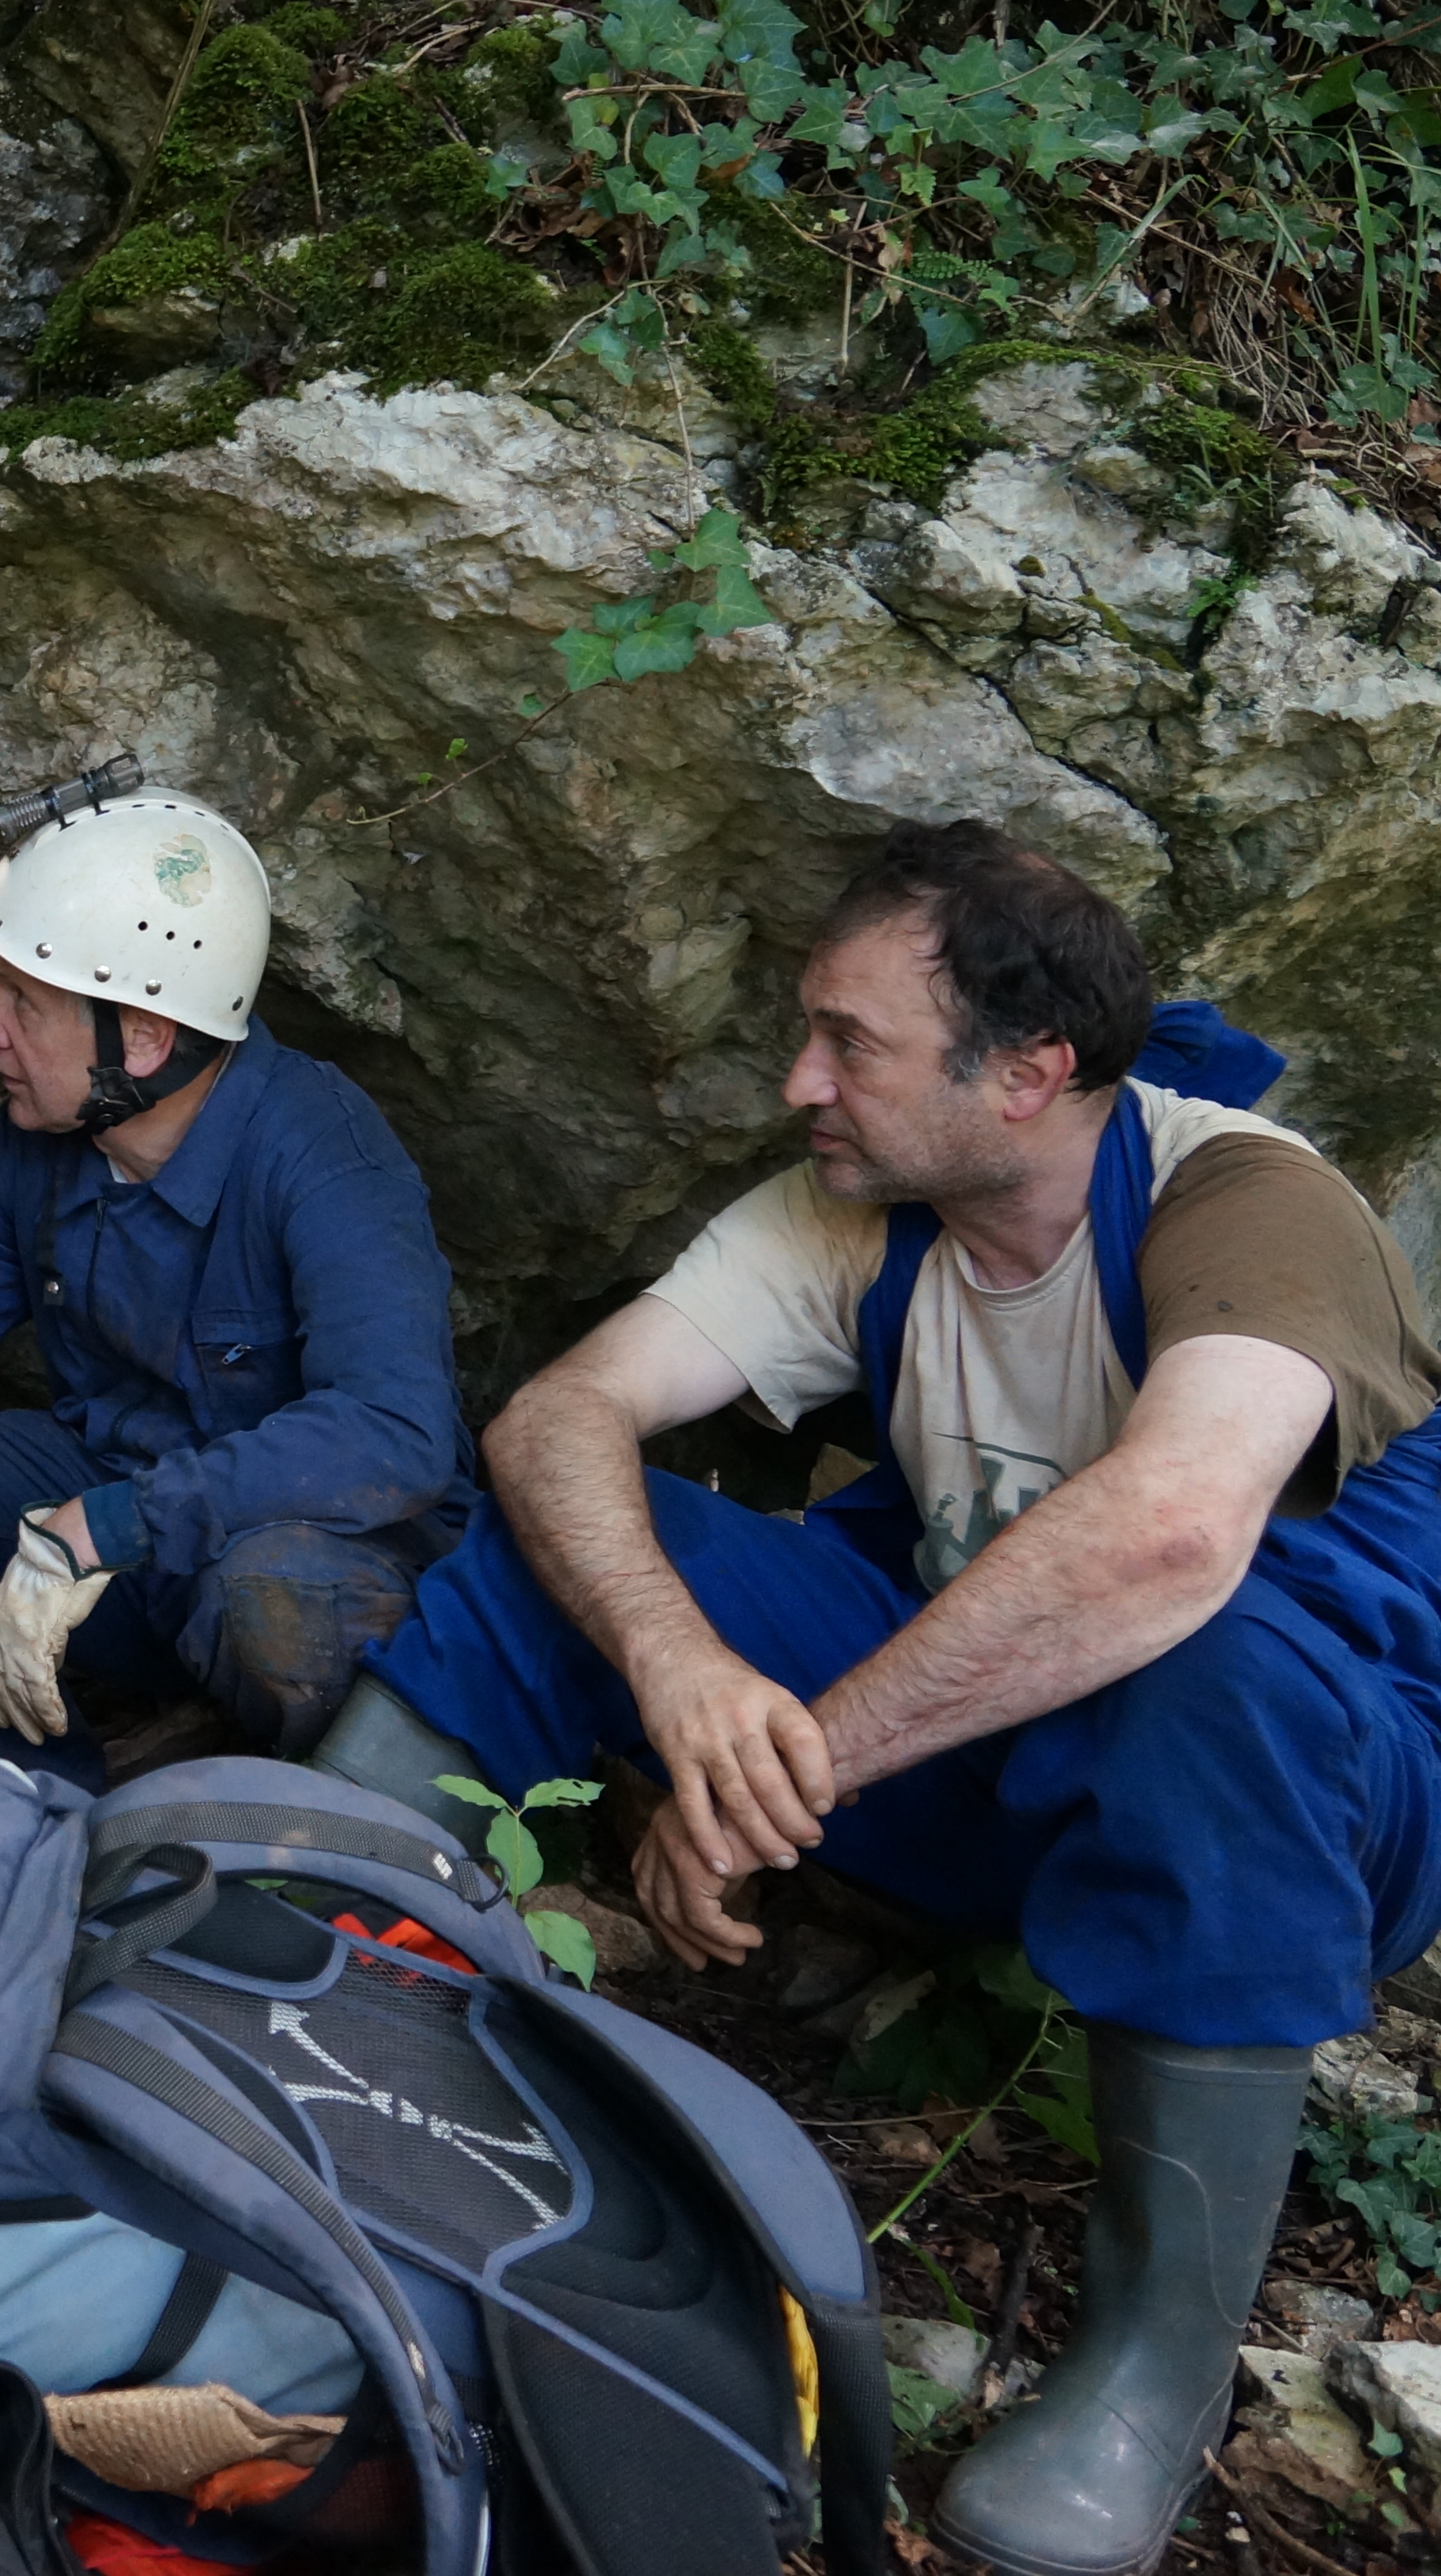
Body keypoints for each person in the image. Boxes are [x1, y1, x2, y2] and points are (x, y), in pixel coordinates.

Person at [314, 822, 1441, 2576]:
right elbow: (556, 1416)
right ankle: (285, 1958)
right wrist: (678, 1666)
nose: (798, 1081)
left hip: (1308, 1800)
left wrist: (783, 1774)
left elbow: (1163, 1538)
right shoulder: (864, 1217)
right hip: (980, 1749)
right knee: (594, 1541)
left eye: (848, 1042)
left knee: (1202, 1670)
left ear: (1026, 1074)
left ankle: (1156, 2369)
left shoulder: (1248, 1204)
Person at [0, 772, 472, 1791]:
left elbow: (395, 1435)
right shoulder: (41, 1140)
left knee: (270, 1593)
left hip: (276, 1563)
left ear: (141, 1036)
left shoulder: (325, 1153)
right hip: (104, 1552)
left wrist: (111, 1528)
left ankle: (311, 1842)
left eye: (23, 1002)